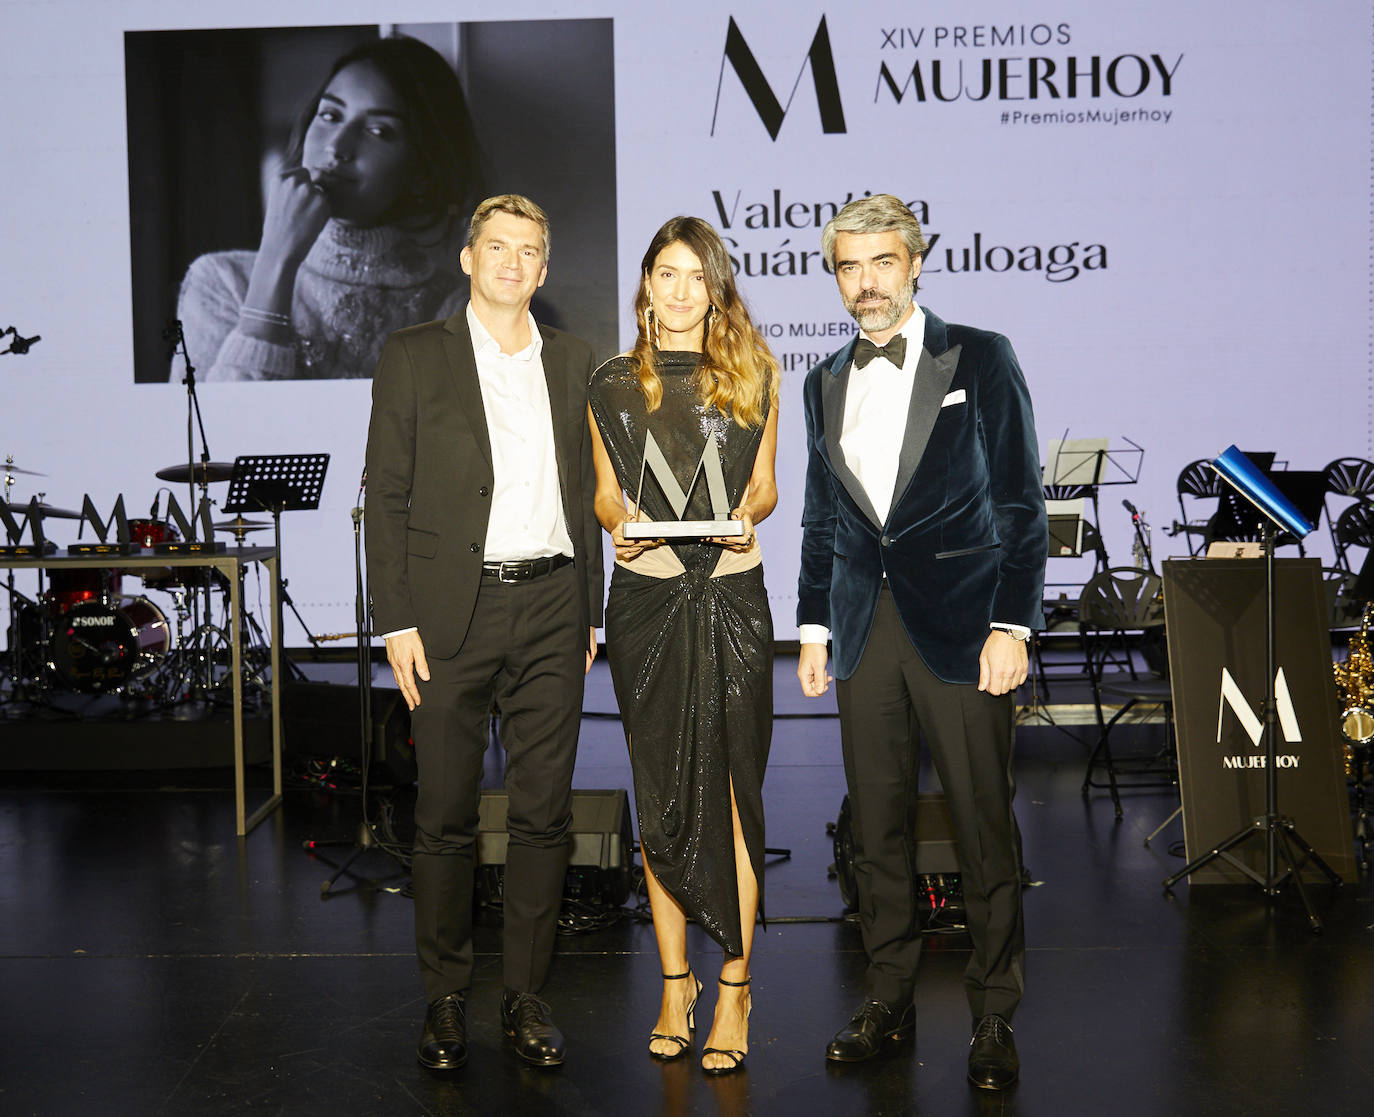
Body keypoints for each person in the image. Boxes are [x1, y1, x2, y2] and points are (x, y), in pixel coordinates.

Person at [796, 194, 1047, 1091]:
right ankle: (889, 994)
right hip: (866, 630)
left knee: (982, 824)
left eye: (881, 263)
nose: (865, 283)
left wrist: (1013, 622)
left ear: (914, 263)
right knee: (878, 827)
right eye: (848, 268)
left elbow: (1022, 500)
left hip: (966, 626)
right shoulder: (822, 375)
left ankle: (992, 1011)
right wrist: (815, 625)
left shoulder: (980, 355)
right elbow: (825, 516)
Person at [365, 194, 601, 1072]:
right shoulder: (413, 355)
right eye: (496, 246)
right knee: (444, 818)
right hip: (449, 613)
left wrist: (590, 609)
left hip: (553, 606)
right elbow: (383, 497)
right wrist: (396, 620)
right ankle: (445, 999)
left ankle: (527, 996)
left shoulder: (576, 359)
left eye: (528, 250)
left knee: (543, 817)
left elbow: (586, 494)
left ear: (544, 269)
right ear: (467, 258)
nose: (512, 261)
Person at [587, 216, 779, 1076]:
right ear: (646, 285)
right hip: (646, 597)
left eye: (695, 276)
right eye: (666, 273)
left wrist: (749, 517)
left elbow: (767, 487)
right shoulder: (609, 384)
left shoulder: (755, 374)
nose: (679, 290)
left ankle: (734, 984)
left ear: (716, 288)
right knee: (661, 791)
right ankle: (676, 982)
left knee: (735, 792)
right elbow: (601, 494)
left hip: (733, 592)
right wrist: (617, 525)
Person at [180, 34, 483, 381]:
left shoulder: (456, 312)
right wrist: (277, 257)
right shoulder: (220, 282)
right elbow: (222, 430)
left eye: (378, 130)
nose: (338, 146)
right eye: (329, 115)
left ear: (422, 172)